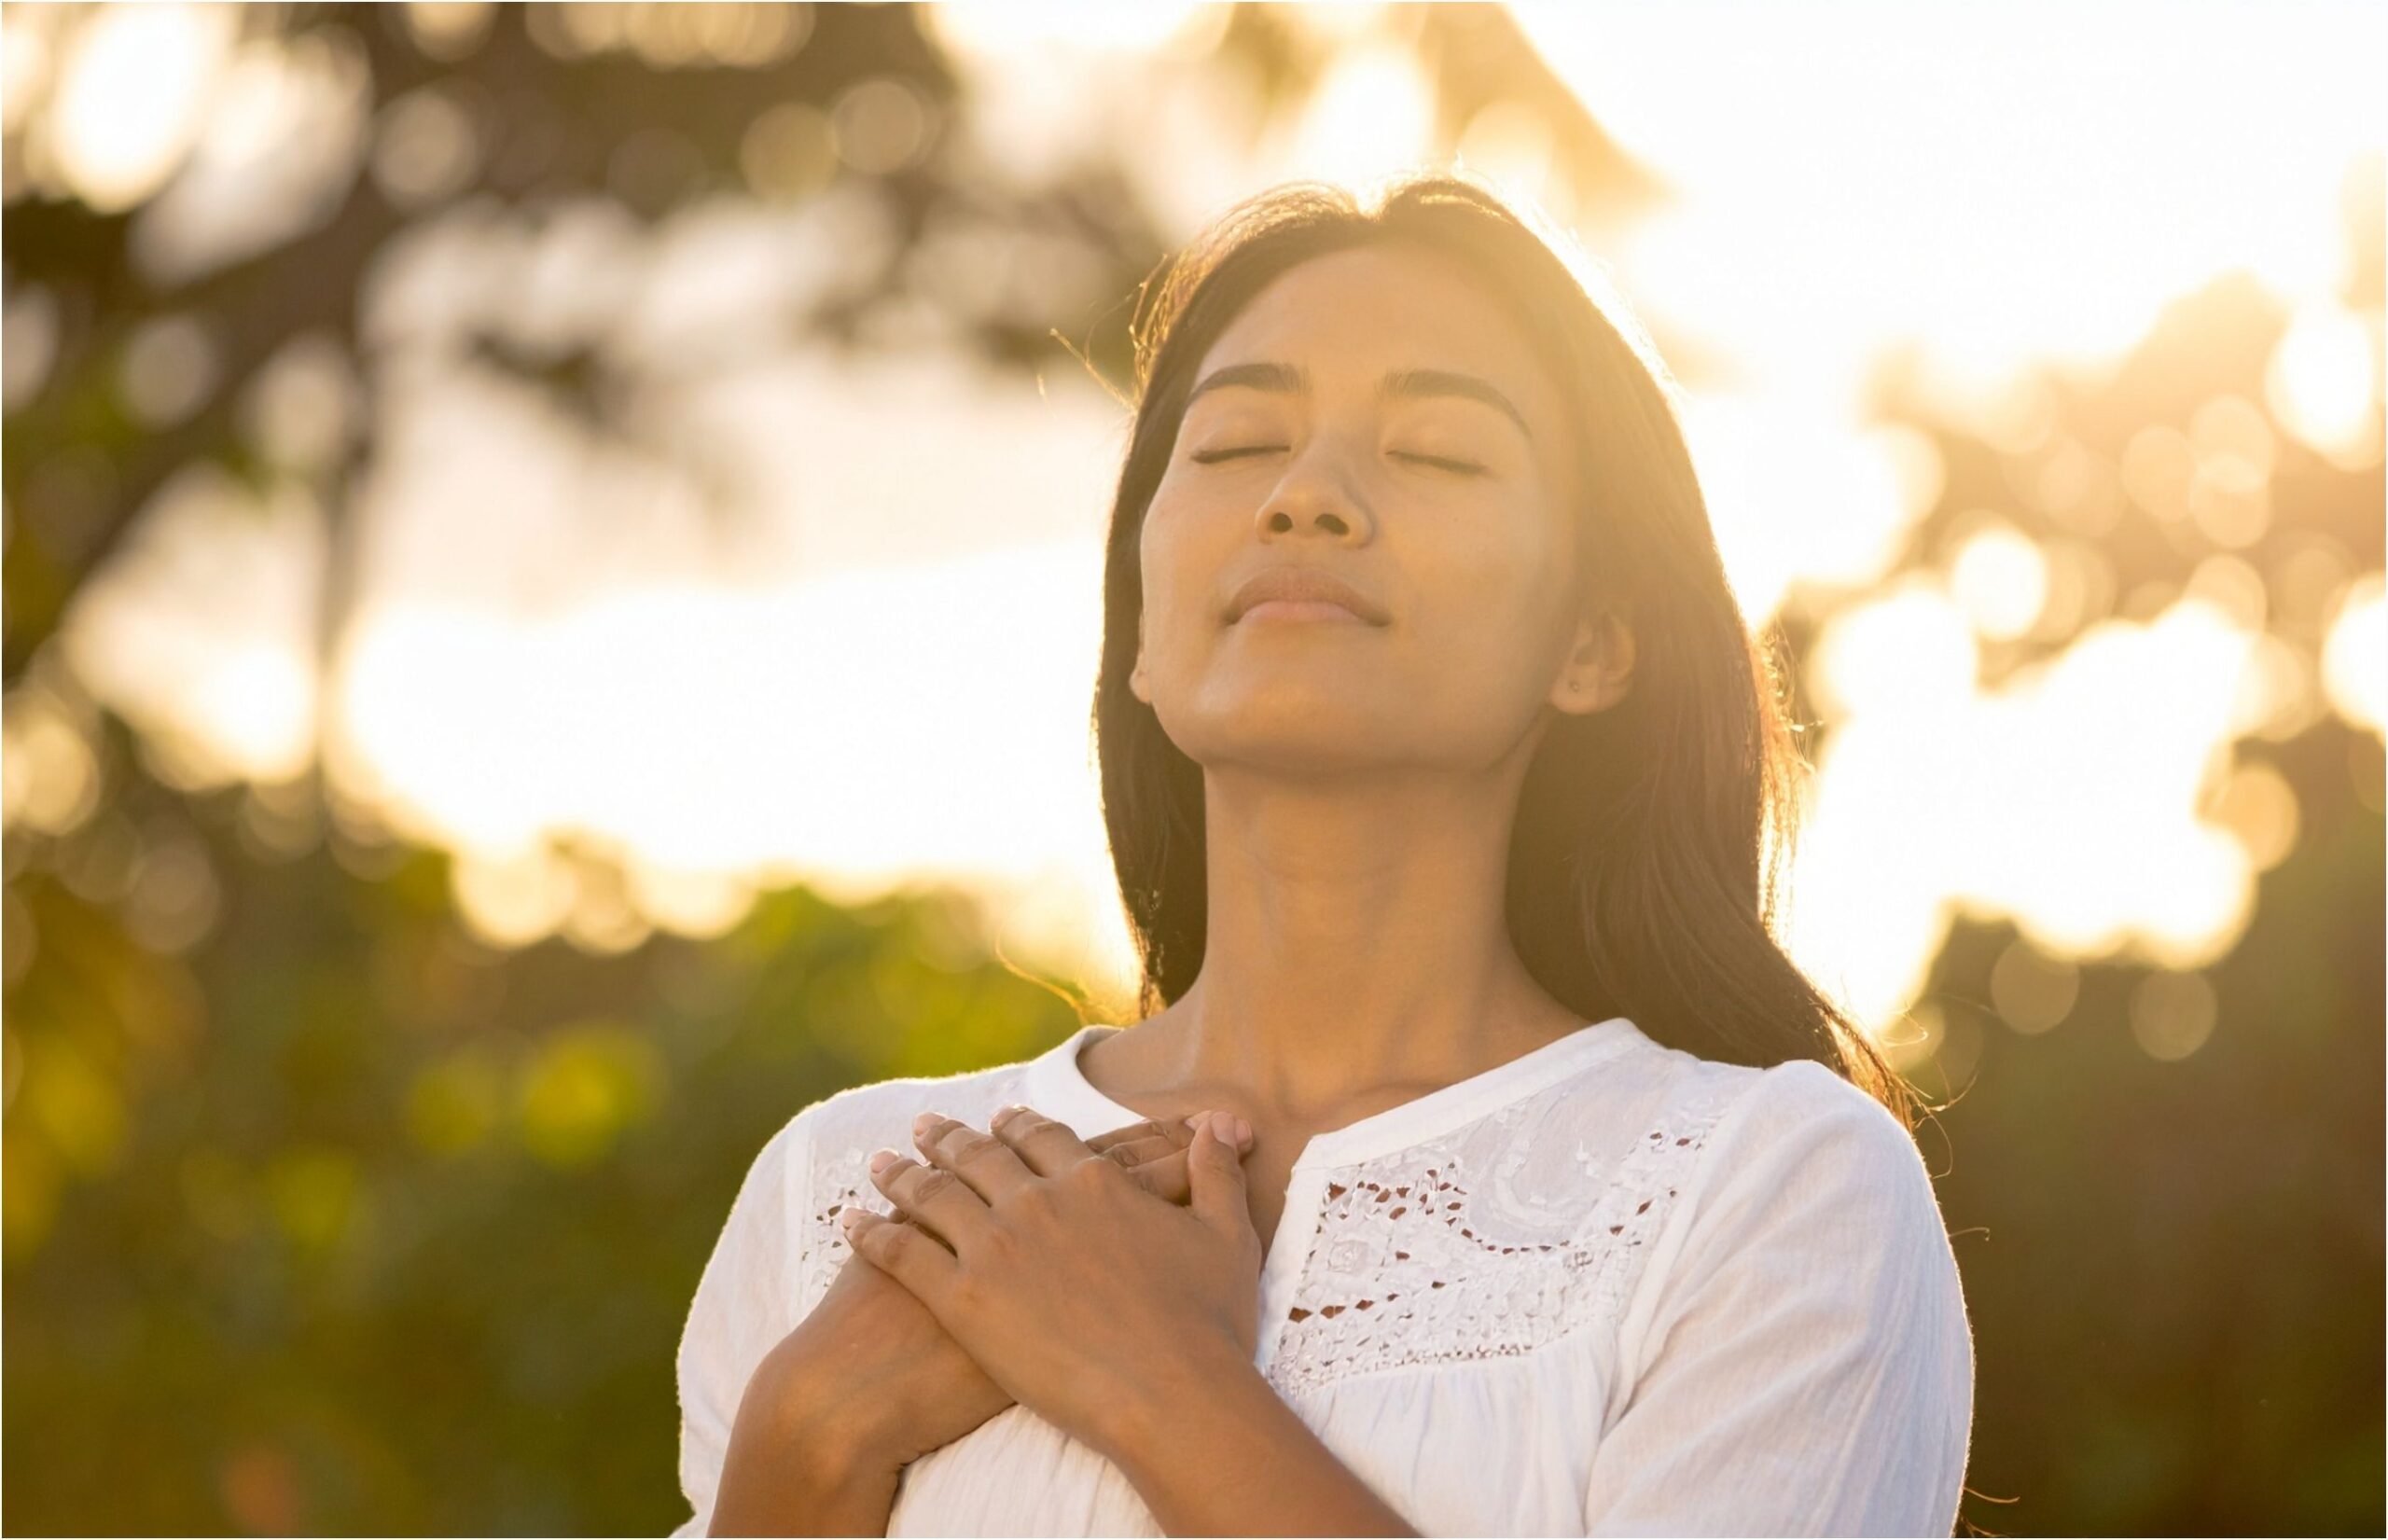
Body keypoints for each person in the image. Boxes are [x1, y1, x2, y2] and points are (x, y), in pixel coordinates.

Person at [671, 169, 1975, 1537]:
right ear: (1142, 629)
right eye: (1235, 446)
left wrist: (1156, 1379)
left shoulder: (1766, 1188)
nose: (1307, 497)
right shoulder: (850, 1189)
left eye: (1438, 453)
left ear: (1595, 642)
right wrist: (805, 1446)